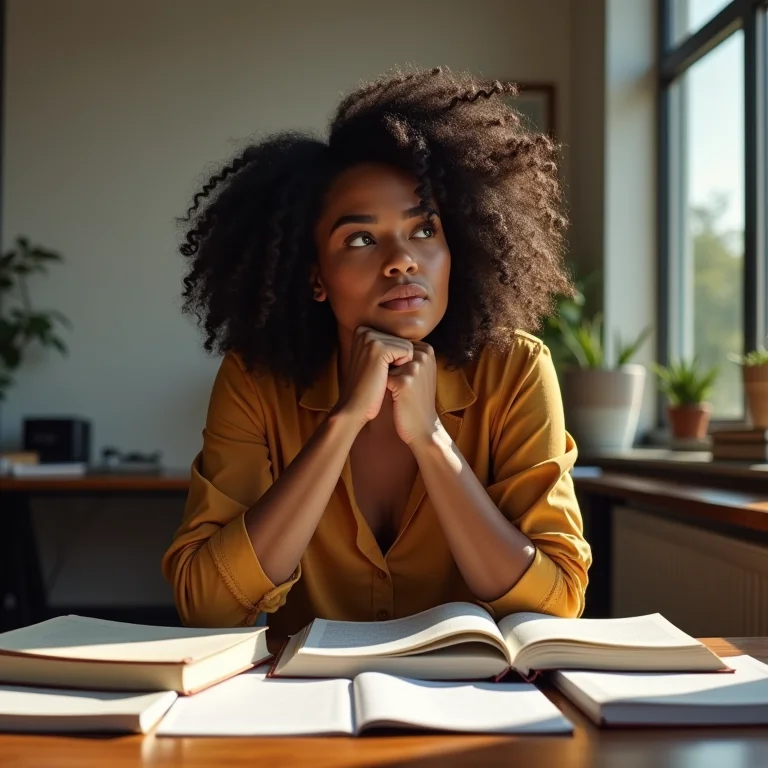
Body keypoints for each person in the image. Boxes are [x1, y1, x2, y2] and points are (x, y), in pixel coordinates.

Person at [162, 66, 592, 634]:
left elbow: (556, 601)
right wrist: (343, 423)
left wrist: (432, 440)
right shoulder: (254, 379)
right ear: (314, 275)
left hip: (474, 706)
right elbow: (207, 603)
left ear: (456, 247)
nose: (401, 260)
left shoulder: (515, 371)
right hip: (302, 706)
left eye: (423, 230)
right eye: (360, 238)